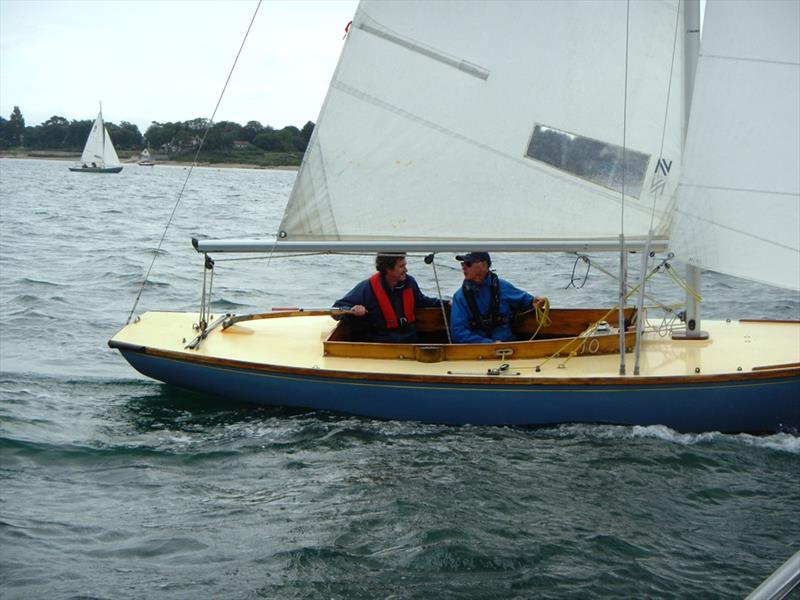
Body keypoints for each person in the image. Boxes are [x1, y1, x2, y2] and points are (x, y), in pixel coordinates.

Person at [332, 253, 444, 343]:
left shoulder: (410, 282)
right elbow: (336, 309)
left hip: (410, 342)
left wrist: (446, 303)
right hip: (382, 345)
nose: (406, 270)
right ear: (388, 269)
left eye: (405, 265)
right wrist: (353, 310)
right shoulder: (367, 288)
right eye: (401, 266)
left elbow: (422, 301)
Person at [450, 251, 547, 344]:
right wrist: (488, 344)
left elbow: (526, 300)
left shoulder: (502, 286)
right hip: (478, 350)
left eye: (468, 264)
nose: (464, 268)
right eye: (463, 264)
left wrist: (535, 302)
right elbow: (458, 333)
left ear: (484, 265)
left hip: (508, 345)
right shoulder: (460, 297)